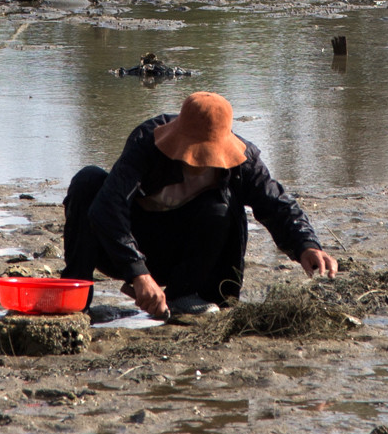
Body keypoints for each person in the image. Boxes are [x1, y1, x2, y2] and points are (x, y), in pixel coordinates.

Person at [63, 91, 339, 320]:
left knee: (223, 209)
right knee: (88, 181)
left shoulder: (245, 161)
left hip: (189, 258)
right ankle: (73, 297)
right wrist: (138, 273)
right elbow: (109, 208)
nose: (198, 161)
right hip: (130, 247)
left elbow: (277, 203)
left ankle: (186, 296)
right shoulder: (147, 141)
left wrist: (307, 244)